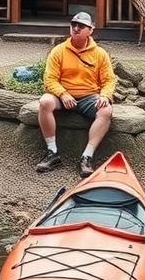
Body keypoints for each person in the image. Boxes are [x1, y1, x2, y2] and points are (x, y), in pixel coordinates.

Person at [36, 11, 116, 178]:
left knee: (106, 110)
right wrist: (63, 93)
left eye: (81, 26)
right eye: (73, 25)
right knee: (45, 102)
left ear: (90, 30)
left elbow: (109, 80)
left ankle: (86, 157)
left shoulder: (100, 53)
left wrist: (104, 95)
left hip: (89, 96)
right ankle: (52, 153)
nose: (76, 28)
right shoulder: (59, 51)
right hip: (62, 96)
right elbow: (49, 79)